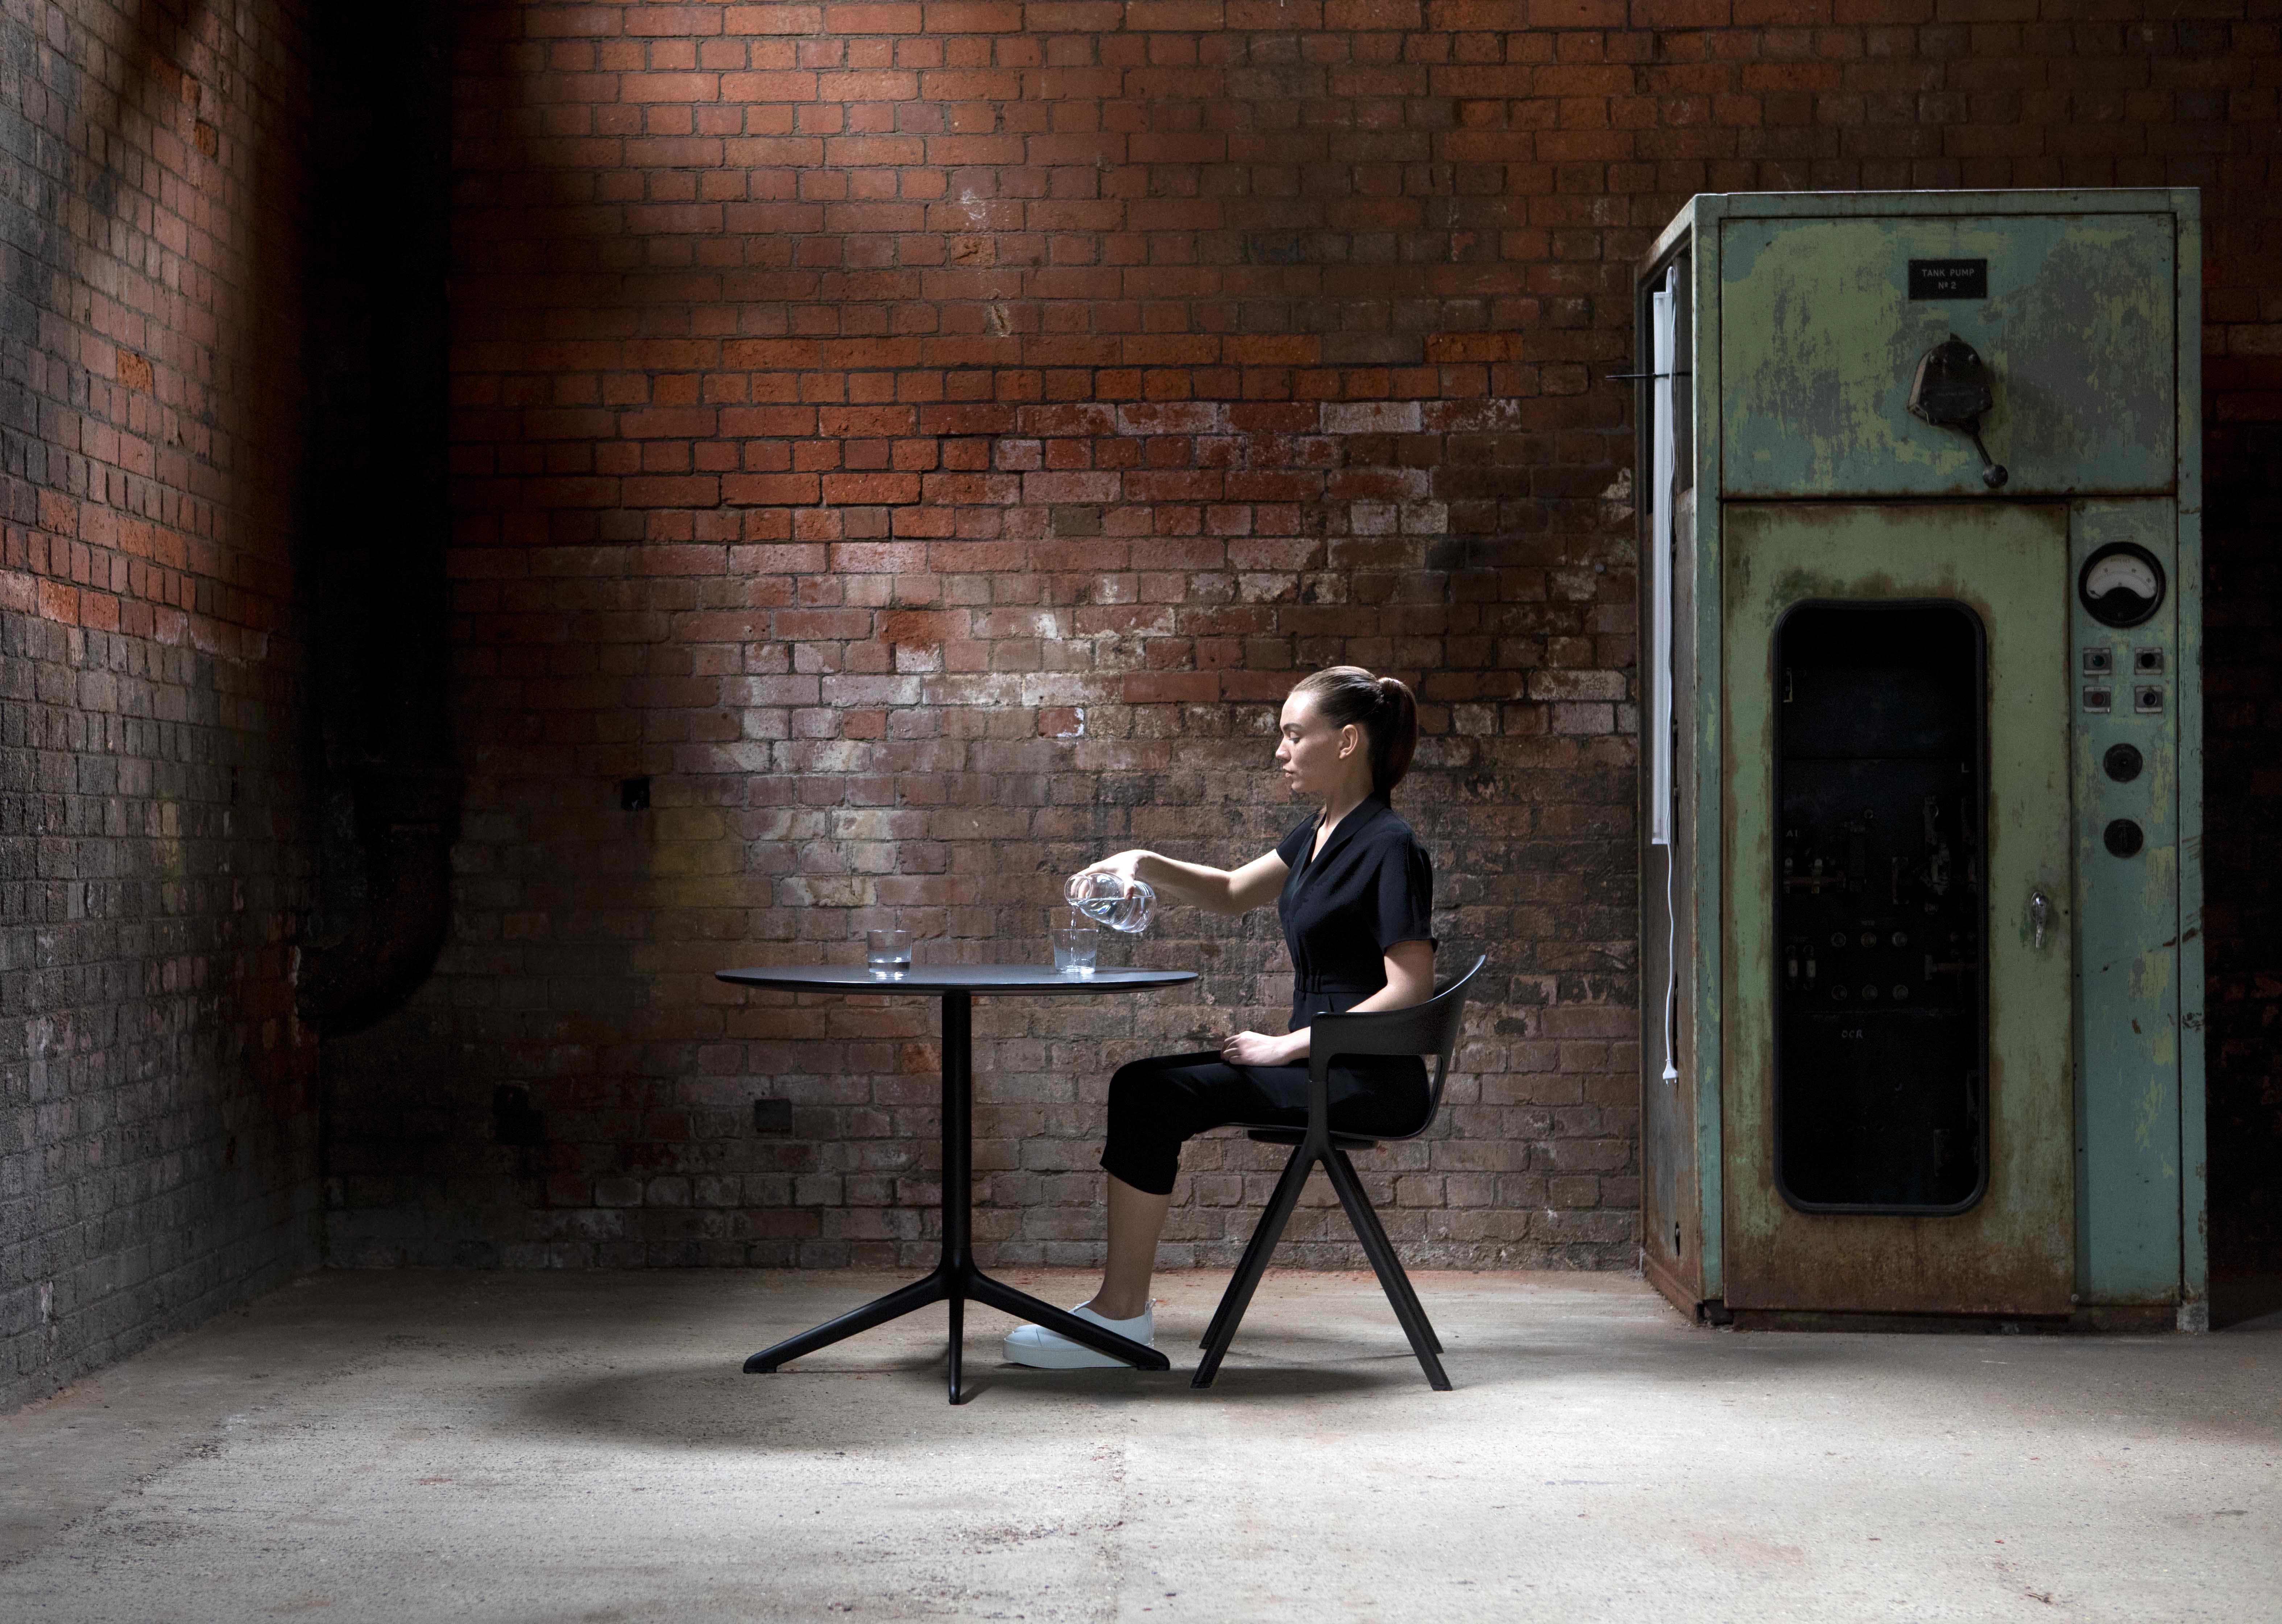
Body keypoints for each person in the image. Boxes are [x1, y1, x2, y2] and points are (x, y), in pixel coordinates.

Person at [1005, 665, 1437, 1368]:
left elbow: (1411, 988)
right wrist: (1141, 860)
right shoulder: (1319, 832)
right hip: (1322, 1066)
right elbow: (1233, 891)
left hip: (1365, 1079)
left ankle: (1121, 1317)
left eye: (1295, 734)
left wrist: (1288, 1047)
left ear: (1347, 741)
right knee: (1143, 1085)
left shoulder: (1389, 843)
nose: (1280, 750)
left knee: (1149, 1092)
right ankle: (1121, 1313)